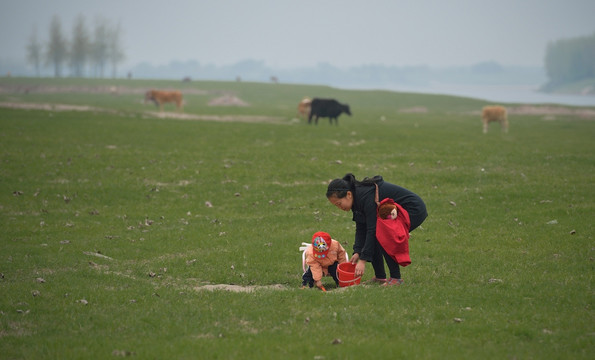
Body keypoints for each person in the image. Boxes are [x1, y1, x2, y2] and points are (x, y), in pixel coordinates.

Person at [326, 173, 427, 286]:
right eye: (336, 206)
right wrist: (358, 251)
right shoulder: (356, 198)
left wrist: (363, 260)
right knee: (378, 235)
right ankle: (380, 277)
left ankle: (396, 279)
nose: (340, 208)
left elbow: (372, 230)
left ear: (348, 194)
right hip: (398, 211)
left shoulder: (365, 196)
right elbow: (361, 227)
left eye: (339, 203)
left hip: (413, 209)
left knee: (384, 235)